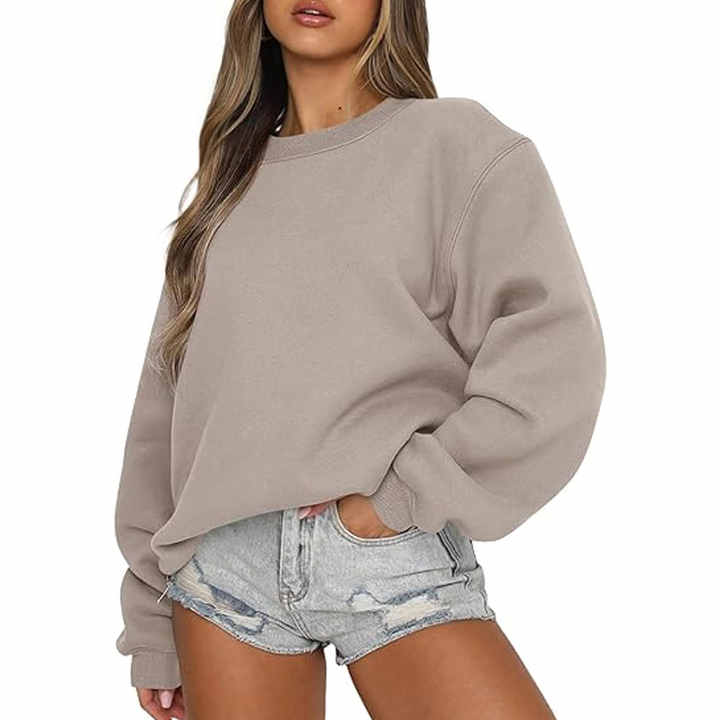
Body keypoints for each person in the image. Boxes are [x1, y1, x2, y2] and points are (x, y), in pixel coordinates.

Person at [114, 0, 606, 717]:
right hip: (223, 578)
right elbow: (164, 413)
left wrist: (398, 500)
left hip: (386, 550)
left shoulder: (455, 147)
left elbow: (554, 355)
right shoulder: (225, 187)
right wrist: (152, 623)